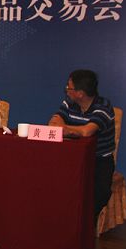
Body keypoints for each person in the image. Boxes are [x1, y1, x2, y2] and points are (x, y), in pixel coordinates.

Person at [48, 69, 115, 221]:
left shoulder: (103, 106)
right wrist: (69, 129)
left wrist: (66, 129)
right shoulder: (69, 103)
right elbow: (53, 123)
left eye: (69, 87)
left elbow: (87, 131)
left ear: (80, 93)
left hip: (99, 160)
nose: (66, 90)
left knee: (99, 193)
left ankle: (85, 224)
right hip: (71, 157)